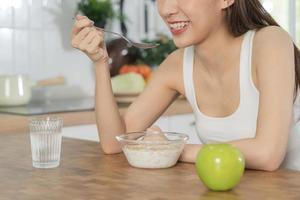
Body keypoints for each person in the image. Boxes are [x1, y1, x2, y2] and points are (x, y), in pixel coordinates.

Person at [71, 0, 300, 171]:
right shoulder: (178, 64)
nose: (166, 9)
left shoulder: (270, 42)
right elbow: (114, 143)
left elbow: (268, 154)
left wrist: (171, 149)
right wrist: (100, 62)